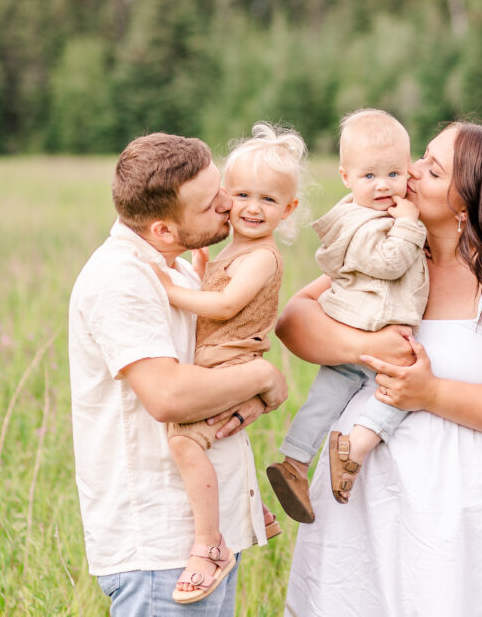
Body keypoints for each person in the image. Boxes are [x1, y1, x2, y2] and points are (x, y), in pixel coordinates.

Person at [277, 122, 482, 615]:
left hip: (454, 510)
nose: (412, 173)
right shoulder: (390, 252)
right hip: (360, 501)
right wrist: (367, 344)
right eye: (422, 157)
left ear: (466, 203)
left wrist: (431, 393)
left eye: (433, 170)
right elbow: (294, 322)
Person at [67, 132, 287, 616]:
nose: (230, 206)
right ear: (164, 230)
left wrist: (264, 390)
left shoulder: (180, 272)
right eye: (213, 204)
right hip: (160, 548)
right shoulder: (120, 280)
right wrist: (264, 377)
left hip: (205, 540)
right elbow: (167, 395)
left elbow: (212, 371)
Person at [150, 123, 308, 604]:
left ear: (289, 209)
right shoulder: (233, 249)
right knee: (213, 437)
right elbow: (215, 286)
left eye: (268, 200)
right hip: (220, 360)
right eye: (241, 194)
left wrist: (170, 289)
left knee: (185, 442)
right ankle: (247, 505)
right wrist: (200, 268)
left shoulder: (261, 257)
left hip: (227, 363)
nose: (252, 208)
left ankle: (210, 542)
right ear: (225, 196)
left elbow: (222, 307)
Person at [266, 109, 428, 524]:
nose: (383, 186)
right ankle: (353, 447)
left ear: (408, 171)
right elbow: (391, 263)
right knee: (398, 391)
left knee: (322, 401)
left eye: (394, 174)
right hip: (373, 329)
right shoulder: (367, 224)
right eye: (369, 176)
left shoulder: (358, 214)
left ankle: (295, 464)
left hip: (347, 330)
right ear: (345, 177)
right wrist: (410, 224)